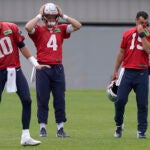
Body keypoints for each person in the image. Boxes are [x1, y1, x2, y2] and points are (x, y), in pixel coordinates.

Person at [25, 3, 82, 138]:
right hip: (42, 67)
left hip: (57, 68)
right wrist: (39, 15)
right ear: (44, 17)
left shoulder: (61, 29)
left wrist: (63, 15)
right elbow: (28, 27)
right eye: (48, 16)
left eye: (54, 16)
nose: (51, 19)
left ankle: (60, 128)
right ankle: (42, 127)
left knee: (59, 99)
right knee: (42, 99)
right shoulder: (38, 30)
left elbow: (78, 25)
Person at [0, 22, 50, 145]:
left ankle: (25, 136)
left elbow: (22, 46)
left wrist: (35, 64)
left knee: (27, 100)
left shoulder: (10, 27)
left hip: (15, 70)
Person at [111, 11, 150, 139]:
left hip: (143, 72)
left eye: (145, 23)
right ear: (135, 21)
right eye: (141, 23)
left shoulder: (148, 33)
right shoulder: (127, 33)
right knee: (120, 100)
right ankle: (119, 125)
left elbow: (148, 50)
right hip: (127, 71)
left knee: (142, 103)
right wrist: (115, 70)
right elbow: (121, 52)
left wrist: (142, 35)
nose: (143, 25)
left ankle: (141, 131)